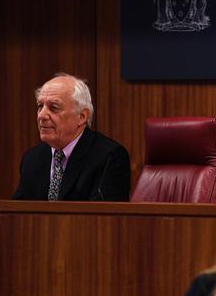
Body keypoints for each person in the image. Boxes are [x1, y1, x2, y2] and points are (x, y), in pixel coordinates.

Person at [13, 72, 130, 201]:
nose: (42, 115)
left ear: (82, 116)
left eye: (54, 107)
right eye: (40, 106)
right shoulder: (32, 158)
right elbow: (18, 214)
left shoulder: (109, 157)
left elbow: (104, 218)